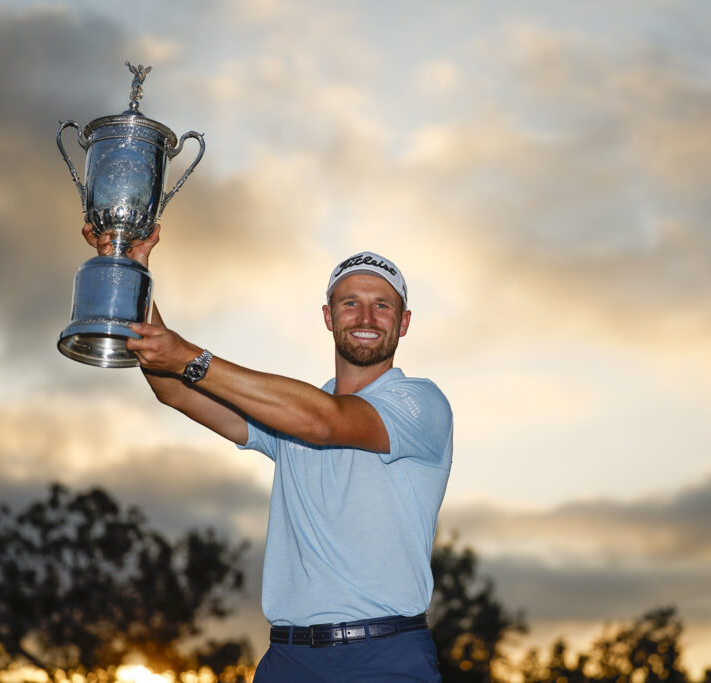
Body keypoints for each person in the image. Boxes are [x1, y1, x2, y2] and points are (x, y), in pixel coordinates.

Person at [82, 223, 453, 682]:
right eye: (350, 303)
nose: (365, 317)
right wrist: (130, 270)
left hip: (384, 656)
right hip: (288, 659)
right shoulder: (288, 412)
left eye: (382, 306)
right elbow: (177, 392)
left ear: (404, 322)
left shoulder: (421, 404)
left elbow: (325, 421)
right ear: (328, 316)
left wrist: (189, 356)